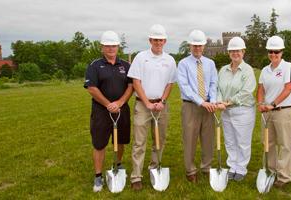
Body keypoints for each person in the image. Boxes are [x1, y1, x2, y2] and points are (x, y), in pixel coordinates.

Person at [127, 24, 177, 191]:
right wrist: (147, 102)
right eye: (155, 39)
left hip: (161, 105)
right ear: (150, 40)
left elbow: (170, 83)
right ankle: (136, 176)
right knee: (139, 142)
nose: (158, 42)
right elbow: (136, 82)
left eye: (161, 40)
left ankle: (154, 168)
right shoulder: (141, 57)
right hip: (143, 105)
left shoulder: (169, 60)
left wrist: (162, 101)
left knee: (159, 140)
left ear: (165, 41)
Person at [84, 30, 133, 192]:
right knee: (99, 143)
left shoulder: (126, 66)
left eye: (114, 45)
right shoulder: (95, 65)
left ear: (118, 46)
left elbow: (131, 86)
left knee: (120, 140)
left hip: (121, 109)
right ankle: (98, 176)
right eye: (107, 46)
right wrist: (108, 104)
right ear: (102, 47)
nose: (111, 48)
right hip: (101, 111)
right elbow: (91, 88)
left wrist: (119, 102)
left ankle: (117, 166)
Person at [177, 29, 218, 183]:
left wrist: (212, 100)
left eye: (200, 45)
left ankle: (206, 168)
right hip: (191, 106)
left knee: (208, 139)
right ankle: (190, 170)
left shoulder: (210, 63)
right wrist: (201, 102)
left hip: (209, 105)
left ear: (204, 46)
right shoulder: (183, 64)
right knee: (190, 139)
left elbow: (214, 83)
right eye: (194, 45)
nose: (197, 48)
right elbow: (184, 87)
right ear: (190, 46)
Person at [257, 35, 291, 188]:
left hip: (283, 111)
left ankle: (284, 176)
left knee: (285, 144)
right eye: (271, 51)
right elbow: (261, 88)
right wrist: (261, 103)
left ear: (282, 52)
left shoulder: (289, 67)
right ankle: (271, 171)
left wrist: (272, 104)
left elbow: (288, 88)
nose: (273, 54)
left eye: (277, 51)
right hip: (267, 111)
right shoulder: (265, 70)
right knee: (268, 142)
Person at [216, 37, 256, 181]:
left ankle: (241, 168)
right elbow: (218, 88)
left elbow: (246, 92)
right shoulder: (223, 70)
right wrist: (220, 101)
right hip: (226, 111)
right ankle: (232, 166)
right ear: (228, 53)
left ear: (243, 52)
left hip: (243, 111)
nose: (235, 53)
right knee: (230, 141)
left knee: (242, 142)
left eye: (237, 50)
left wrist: (227, 103)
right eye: (232, 51)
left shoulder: (248, 70)